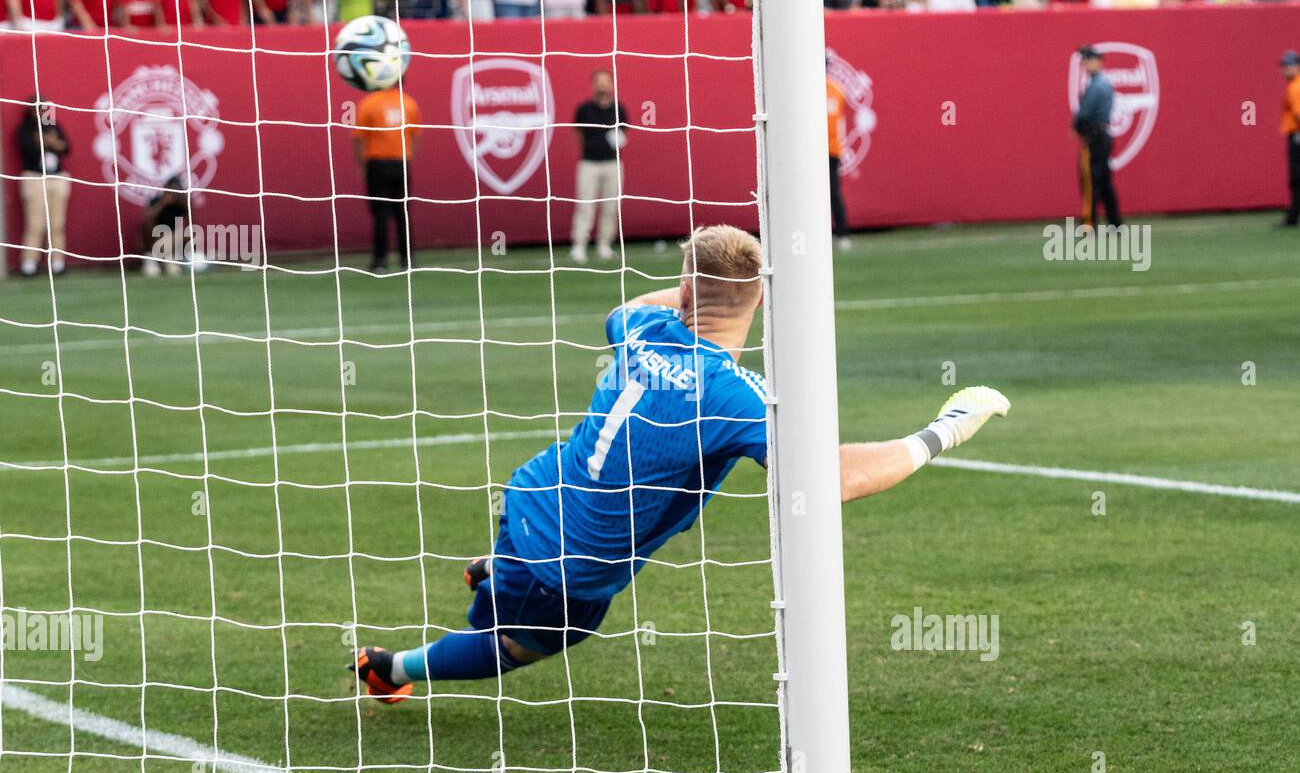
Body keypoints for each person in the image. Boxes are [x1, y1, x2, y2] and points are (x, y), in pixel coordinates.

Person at [350, 225, 1011, 698]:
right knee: (519, 647)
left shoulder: (641, 328)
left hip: (532, 490)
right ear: (761, 298)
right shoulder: (738, 396)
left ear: (687, 288)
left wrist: (697, 288)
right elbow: (833, 478)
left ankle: (497, 568)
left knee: (524, 568)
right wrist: (945, 431)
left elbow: (628, 305)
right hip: (571, 567)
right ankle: (390, 668)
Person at [353, 82, 421, 271]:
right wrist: (406, 156)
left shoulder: (369, 103)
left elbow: (359, 139)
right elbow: (416, 136)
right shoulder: (409, 103)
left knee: (380, 214)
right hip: (401, 164)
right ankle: (407, 260)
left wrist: (361, 166)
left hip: (377, 165)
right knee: (402, 213)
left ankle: (379, 261)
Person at [570, 69, 627, 264]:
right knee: (585, 205)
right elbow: (578, 133)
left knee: (610, 206)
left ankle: (604, 245)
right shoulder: (584, 109)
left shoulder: (619, 109)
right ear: (593, 85)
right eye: (599, 82)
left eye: (606, 81)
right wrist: (592, 148)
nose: (602, 85)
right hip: (589, 164)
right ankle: (579, 246)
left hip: (612, 164)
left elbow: (623, 133)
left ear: (611, 85)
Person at [16, 96, 71, 277]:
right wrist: (50, 142)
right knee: (35, 223)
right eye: (37, 108)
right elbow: (29, 147)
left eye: (43, 108)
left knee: (57, 223)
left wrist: (48, 141)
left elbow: (66, 147)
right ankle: (29, 262)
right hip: (35, 177)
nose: (41, 111)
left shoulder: (53, 125)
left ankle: (57, 262)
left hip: (57, 177)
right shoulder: (25, 128)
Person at [1073, 45, 1122, 228]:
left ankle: (1089, 223)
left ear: (1097, 62)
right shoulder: (1104, 83)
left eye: (1087, 61)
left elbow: (1084, 114)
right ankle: (1115, 223)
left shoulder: (1096, 86)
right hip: (1103, 136)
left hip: (1095, 138)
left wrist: (1077, 127)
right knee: (1105, 182)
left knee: (1090, 181)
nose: (1084, 66)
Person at [140, 175, 190, 277]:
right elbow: (148, 219)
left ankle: (169, 258)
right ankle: (155, 258)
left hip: (173, 240)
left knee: (184, 234)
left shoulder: (180, 204)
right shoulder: (156, 201)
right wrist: (163, 203)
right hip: (155, 238)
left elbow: (192, 220)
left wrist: (183, 200)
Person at [827, 58, 851, 251]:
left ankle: (842, 234)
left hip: (831, 149)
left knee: (834, 193)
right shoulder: (802, 89)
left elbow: (840, 120)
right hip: (809, 149)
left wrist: (841, 148)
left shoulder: (836, 89)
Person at [1279, 49, 1300, 228]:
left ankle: (1292, 217)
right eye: (1284, 65)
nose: (1286, 69)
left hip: (1298, 137)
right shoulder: (1294, 85)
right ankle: (1292, 215)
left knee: (1296, 177)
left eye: (1289, 65)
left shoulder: (1296, 87)